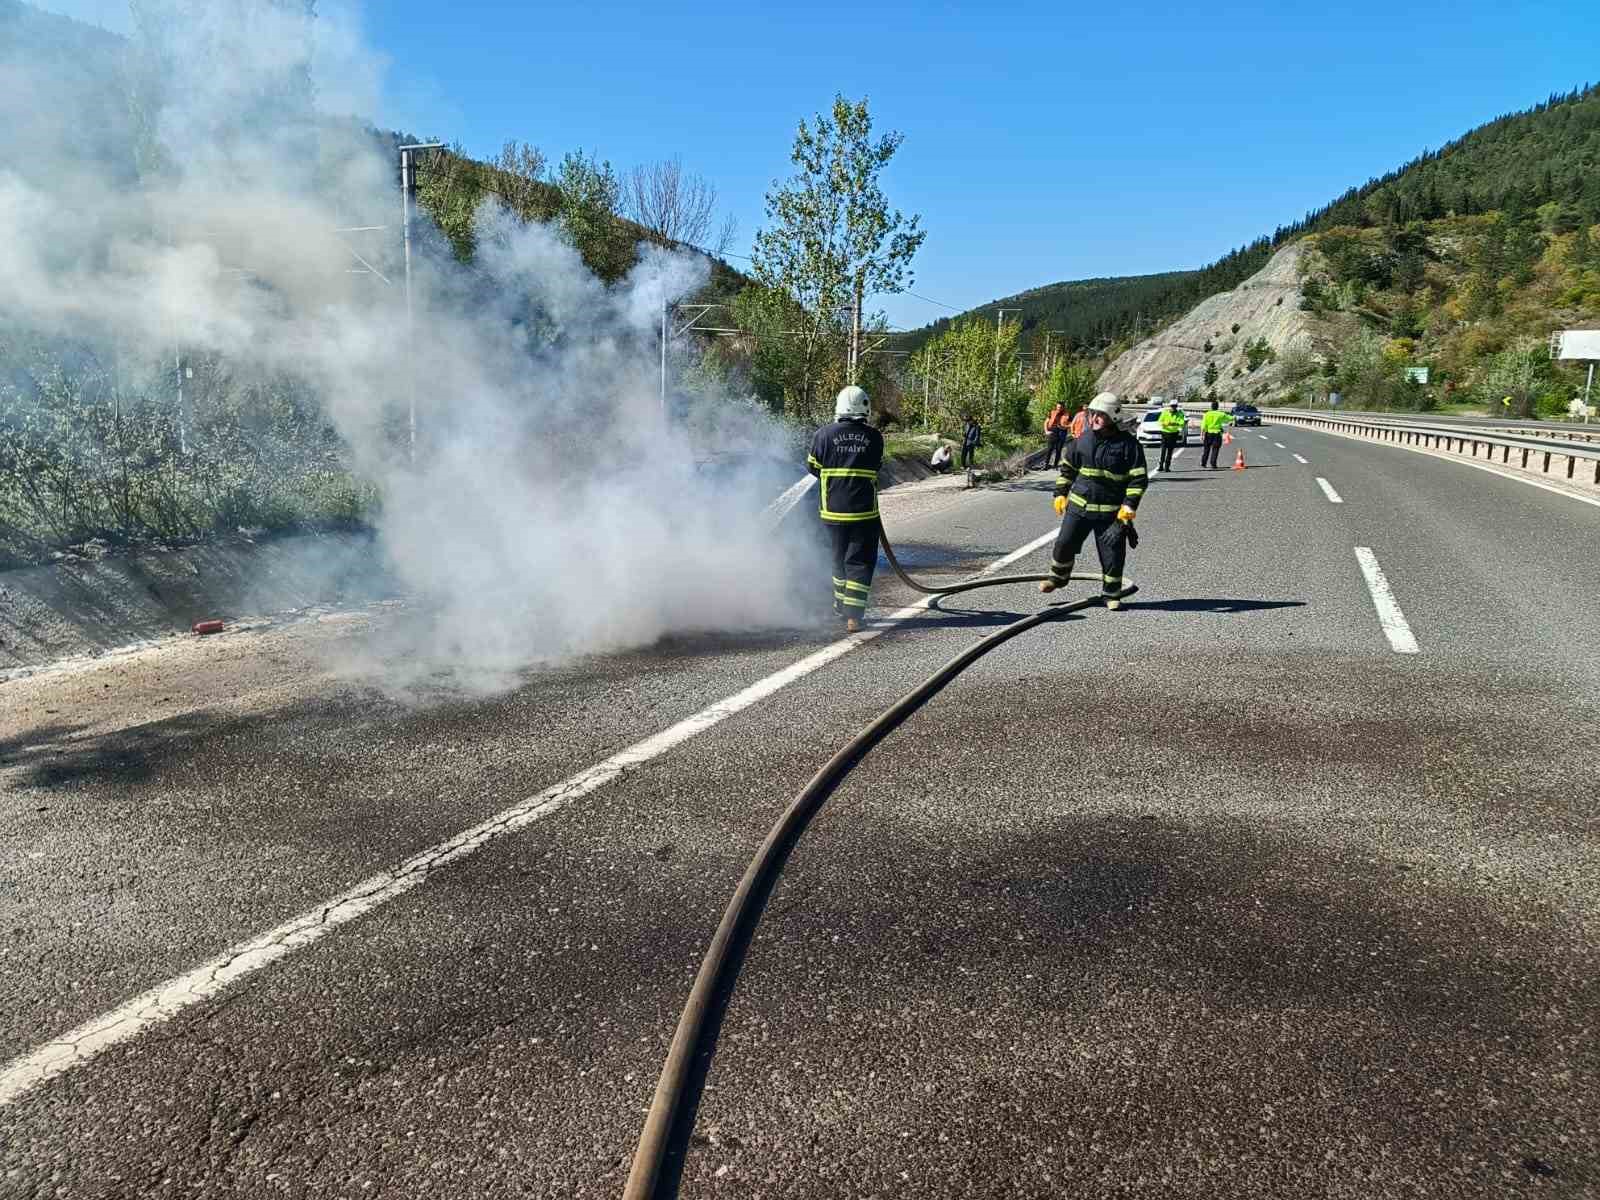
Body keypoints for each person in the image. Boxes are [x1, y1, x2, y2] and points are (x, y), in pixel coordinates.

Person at [1041, 392, 1146, 610]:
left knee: (1112, 554)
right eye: (1093, 414)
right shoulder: (1083, 441)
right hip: (1079, 508)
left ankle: (1111, 594)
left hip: (1110, 513)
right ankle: (1058, 578)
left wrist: (1128, 507)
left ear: (1113, 418)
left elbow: (1138, 479)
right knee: (1064, 543)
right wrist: (1060, 493)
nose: (1094, 419)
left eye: (1100, 415)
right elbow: (1068, 469)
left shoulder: (1129, 446)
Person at [808, 385, 884, 633]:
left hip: (831, 513)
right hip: (864, 513)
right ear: (865, 408)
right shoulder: (874, 437)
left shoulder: (822, 435)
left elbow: (813, 467)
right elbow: (876, 466)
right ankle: (854, 617)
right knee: (859, 563)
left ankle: (840, 607)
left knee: (837, 560)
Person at [1199, 399, 1233, 469]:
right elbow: (1230, 418)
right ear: (1217, 407)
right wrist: (1234, 417)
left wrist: (1201, 434)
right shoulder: (1221, 414)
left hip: (1208, 434)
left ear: (1211, 407)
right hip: (1217, 434)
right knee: (1215, 449)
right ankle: (1213, 464)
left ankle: (1203, 463)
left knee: (1206, 449)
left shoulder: (1207, 414)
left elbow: (1203, 425)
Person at [1157, 401, 1185, 472]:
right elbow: (1160, 421)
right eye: (1172, 406)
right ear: (1170, 406)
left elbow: (1182, 422)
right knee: (1163, 450)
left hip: (1174, 434)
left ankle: (1167, 467)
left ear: (1176, 406)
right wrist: (1166, 423)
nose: (1173, 407)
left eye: (1175, 406)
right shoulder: (1165, 412)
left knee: (1170, 451)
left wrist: (1174, 423)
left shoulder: (1180, 413)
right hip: (1165, 433)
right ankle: (1160, 466)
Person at [1043, 401, 1070, 469]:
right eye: (1057, 407)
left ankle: (1055, 465)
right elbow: (1046, 422)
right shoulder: (1052, 412)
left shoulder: (1067, 414)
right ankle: (1046, 465)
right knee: (1050, 449)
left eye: (1060, 407)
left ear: (1063, 407)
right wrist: (1046, 431)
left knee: (1058, 449)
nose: (1058, 408)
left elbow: (1072, 424)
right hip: (1053, 431)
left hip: (1062, 432)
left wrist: (1065, 427)